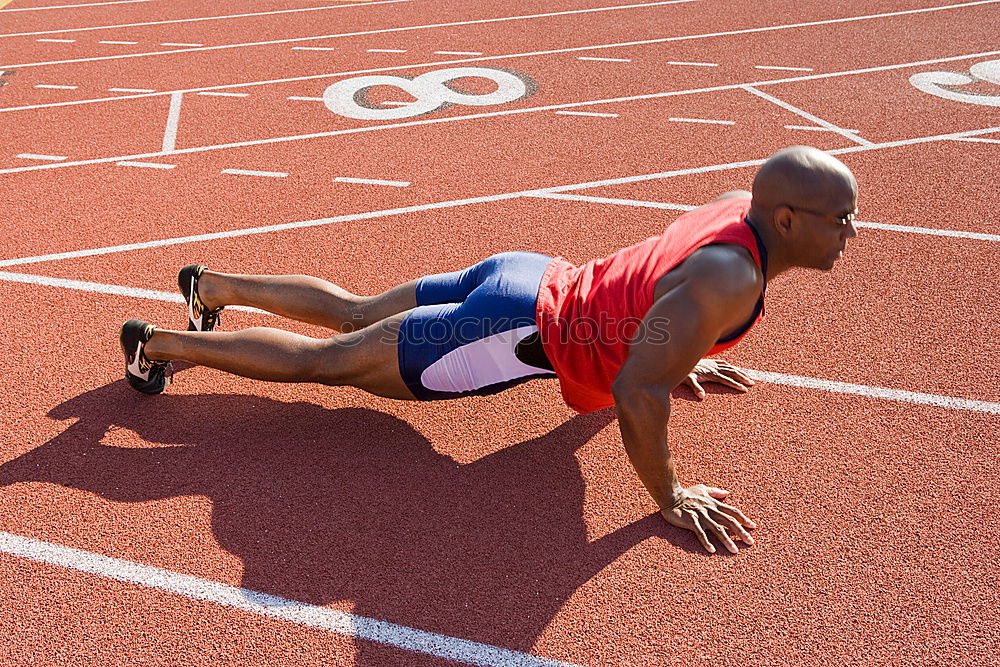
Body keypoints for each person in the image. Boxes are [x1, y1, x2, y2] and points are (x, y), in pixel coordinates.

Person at [119, 145, 858, 554]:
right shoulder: (730, 278)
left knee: (354, 310)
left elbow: (656, 287)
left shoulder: (740, 208)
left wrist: (681, 345)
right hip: (502, 331)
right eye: (840, 220)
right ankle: (157, 345)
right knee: (325, 361)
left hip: (525, 273)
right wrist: (668, 496)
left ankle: (211, 284)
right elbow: (638, 388)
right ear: (787, 219)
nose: (850, 232)